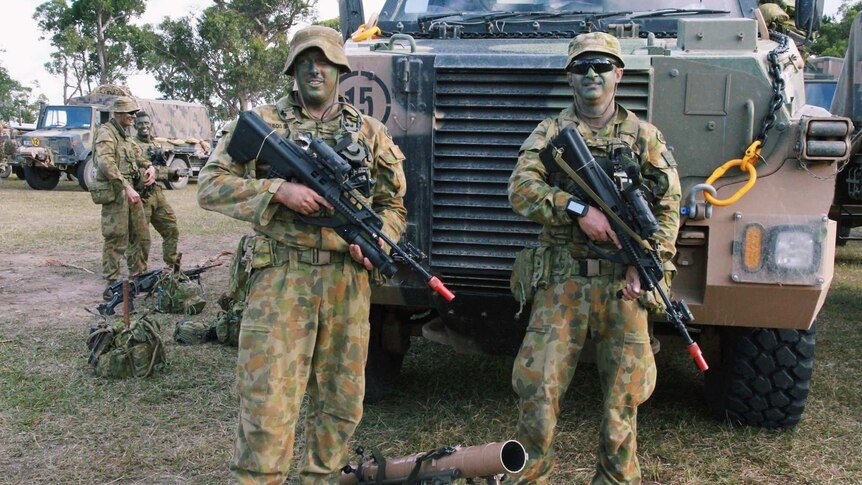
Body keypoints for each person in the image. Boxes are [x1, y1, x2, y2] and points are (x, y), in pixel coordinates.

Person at [197, 25, 407, 484]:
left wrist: (376, 241)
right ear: (292, 70)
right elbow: (210, 185)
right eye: (306, 61)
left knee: (341, 404)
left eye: (326, 61)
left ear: (341, 70)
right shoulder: (263, 125)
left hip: (347, 281)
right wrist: (278, 190)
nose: (316, 69)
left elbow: (393, 206)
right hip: (282, 279)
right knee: (267, 403)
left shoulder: (369, 133)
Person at [506, 32, 681, 484]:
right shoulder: (550, 133)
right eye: (582, 66)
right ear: (569, 76)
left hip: (624, 284)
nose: (591, 74)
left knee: (623, 403)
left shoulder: (645, 137)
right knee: (538, 395)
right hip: (563, 280)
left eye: (602, 66)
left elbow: (667, 208)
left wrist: (648, 263)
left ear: (618, 74)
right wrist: (577, 209)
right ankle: (531, 477)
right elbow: (520, 190)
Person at [94, 97, 154, 295]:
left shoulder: (125, 135)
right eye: (130, 113)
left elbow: (137, 155)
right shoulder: (106, 133)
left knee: (141, 235)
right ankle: (111, 285)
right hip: (116, 191)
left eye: (134, 113)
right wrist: (126, 187)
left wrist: (149, 166)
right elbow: (106, 163)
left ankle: (138, 277)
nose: (133, 117)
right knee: (116, 238)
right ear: (117, 114)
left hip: (131, 192)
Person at [131, 111, 181, 268]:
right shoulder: (132, 145)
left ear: (150, 125)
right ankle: (139, 273)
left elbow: (160, 169)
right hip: (142, 196)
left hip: (158, 194)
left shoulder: (155, 145)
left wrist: (174, 173)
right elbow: (140, 173)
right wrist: (163, 172)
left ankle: (172, 265)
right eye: (140, 124)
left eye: (146, 123)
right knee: (140, 237)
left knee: (171, 228)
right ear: (135, 125)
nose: (144, 126)